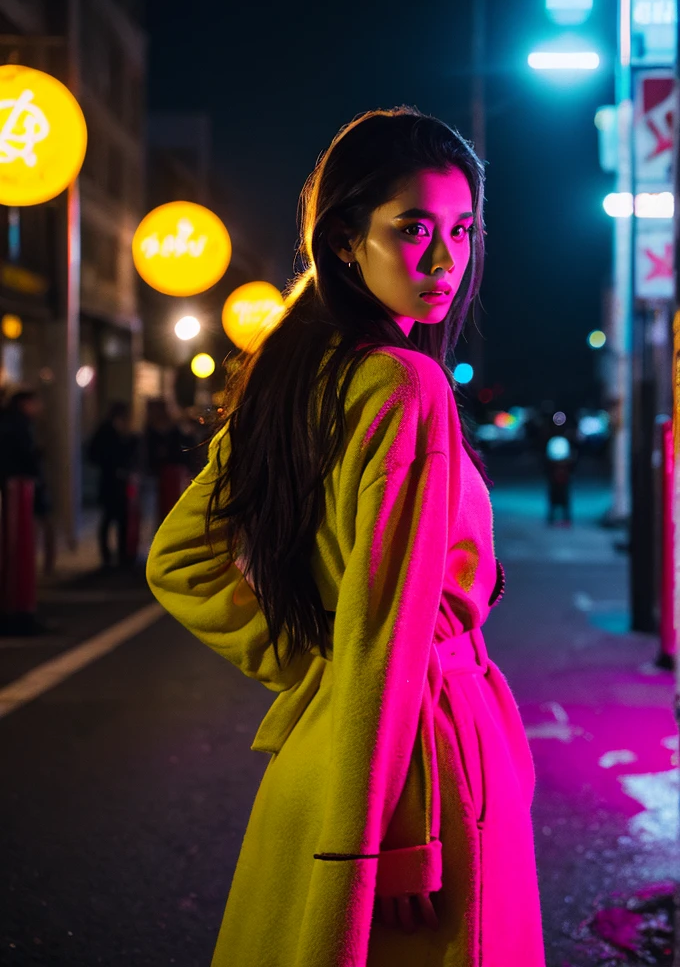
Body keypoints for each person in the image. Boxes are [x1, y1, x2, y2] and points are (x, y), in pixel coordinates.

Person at [147, 109, 545, 967]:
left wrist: (311, 671)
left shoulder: (298, 374)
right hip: (415, 776)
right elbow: (386, 632)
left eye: (461, 230)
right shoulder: (406, 387)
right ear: (343, 243)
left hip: (342, 751)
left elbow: (178, 559)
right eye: (412, 230)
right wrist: (373, 850)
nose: (445, 260)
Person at [0, 389, 54, 573]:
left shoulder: (14, 422)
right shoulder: (18, 424)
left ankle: (26, 567)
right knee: (37, 523)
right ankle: (31, 567)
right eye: (34, 403)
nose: (37, 407)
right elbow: (25, 454)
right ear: (24, 404)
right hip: (24, 483)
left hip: (18, 482)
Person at [88, 402, 139, 567]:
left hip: (117, 481)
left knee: (118, 518)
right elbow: (96, 454)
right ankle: (111, 556)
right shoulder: (107, 431)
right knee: (111, 518)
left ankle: (119, 555)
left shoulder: (120, 431)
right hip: (111, 480)